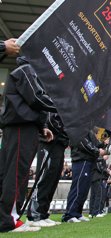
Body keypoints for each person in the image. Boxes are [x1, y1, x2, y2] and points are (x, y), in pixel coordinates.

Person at [0, 56, 56, 233]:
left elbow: (32, 104)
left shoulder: (28, 72)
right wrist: (64, 105)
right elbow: (36, 99)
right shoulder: (26, 71)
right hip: (20, 127)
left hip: (24, 127)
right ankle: (8, 219)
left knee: (18, 173)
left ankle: (12, 216)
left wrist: (42, 127)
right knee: (16, 173)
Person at [27, 113, 69, 227]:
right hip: (48, 142)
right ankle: (34, 215)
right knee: (44, 178)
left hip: (59, 144)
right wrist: (66, 132)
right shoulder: (53, 100)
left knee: (53, 180)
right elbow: (50, 119)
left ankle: (43, 213)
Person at [61, 129, 108, 223]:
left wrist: (104, 143)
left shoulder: (88, 129)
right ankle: (70, 214)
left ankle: (77, 213)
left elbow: (95, 143)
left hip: (88, 160)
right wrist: (97, 151)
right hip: (81, 159)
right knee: (78, 187)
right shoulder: (79, 126)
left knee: (84, 189)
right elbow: (82, 143)